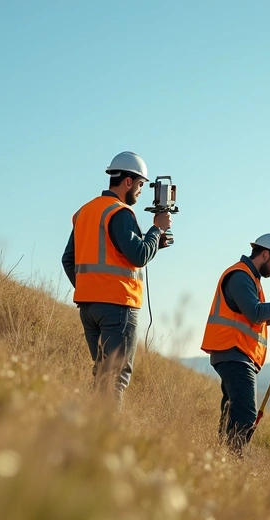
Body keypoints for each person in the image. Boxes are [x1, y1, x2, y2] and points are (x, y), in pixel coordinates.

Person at [62, 151, 172, 402]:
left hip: (89, 309)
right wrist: (157, 228)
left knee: (103, 376)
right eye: (141, 185)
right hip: (117, 307)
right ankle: (107, 438)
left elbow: (68, 259)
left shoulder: (85, 212)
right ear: (128, 182)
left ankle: (94, 433)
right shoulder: (120, 212)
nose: (141, 191)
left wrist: (90, 289)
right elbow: (139, 256)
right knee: (115, 380)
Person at [201, 233, 270, 454]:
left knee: (232, 412)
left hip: (236, 353)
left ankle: (222, 461)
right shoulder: (241, 276)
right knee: (246, 415)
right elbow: (256, 313)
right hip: (233, 352)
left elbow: (259, 317)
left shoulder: (250, 278)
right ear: (265, 254)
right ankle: (233, 461)